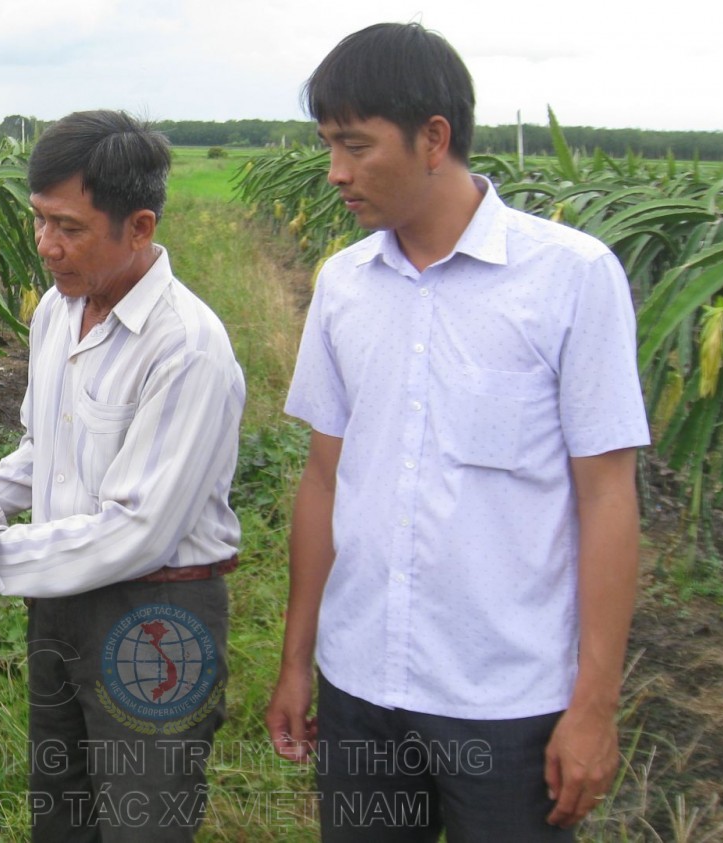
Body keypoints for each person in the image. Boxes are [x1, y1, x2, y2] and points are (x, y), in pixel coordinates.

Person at [264, 22, 651, 842]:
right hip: (362, 681)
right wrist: (299, 661)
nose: (336, 173)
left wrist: (594, 704)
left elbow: (608, 495)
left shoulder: (571, 279)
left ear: (434, 138)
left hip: (508, 704)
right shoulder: (344, 287)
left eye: (355, 147)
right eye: (328, 145)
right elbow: (325, 480)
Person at [0, 109, 246, 842]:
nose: (46, 246)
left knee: (142, 819)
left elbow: (136, 531)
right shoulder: (55, 311)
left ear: (138, 226)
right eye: (38, 220)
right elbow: (47, 449)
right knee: (62, 810)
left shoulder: (186, 348)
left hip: (155, 614)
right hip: (58, 598)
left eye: (68, 227)